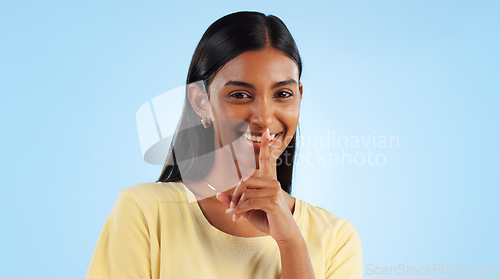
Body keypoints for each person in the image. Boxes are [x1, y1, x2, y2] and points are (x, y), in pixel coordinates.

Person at [85, 11, 363, 279]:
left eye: (283, 94)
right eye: (240, 94)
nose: (265, 117)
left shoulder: (336, 238)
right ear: (201, 102)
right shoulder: (145, 213)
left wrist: (291, 242)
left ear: (299, 97)